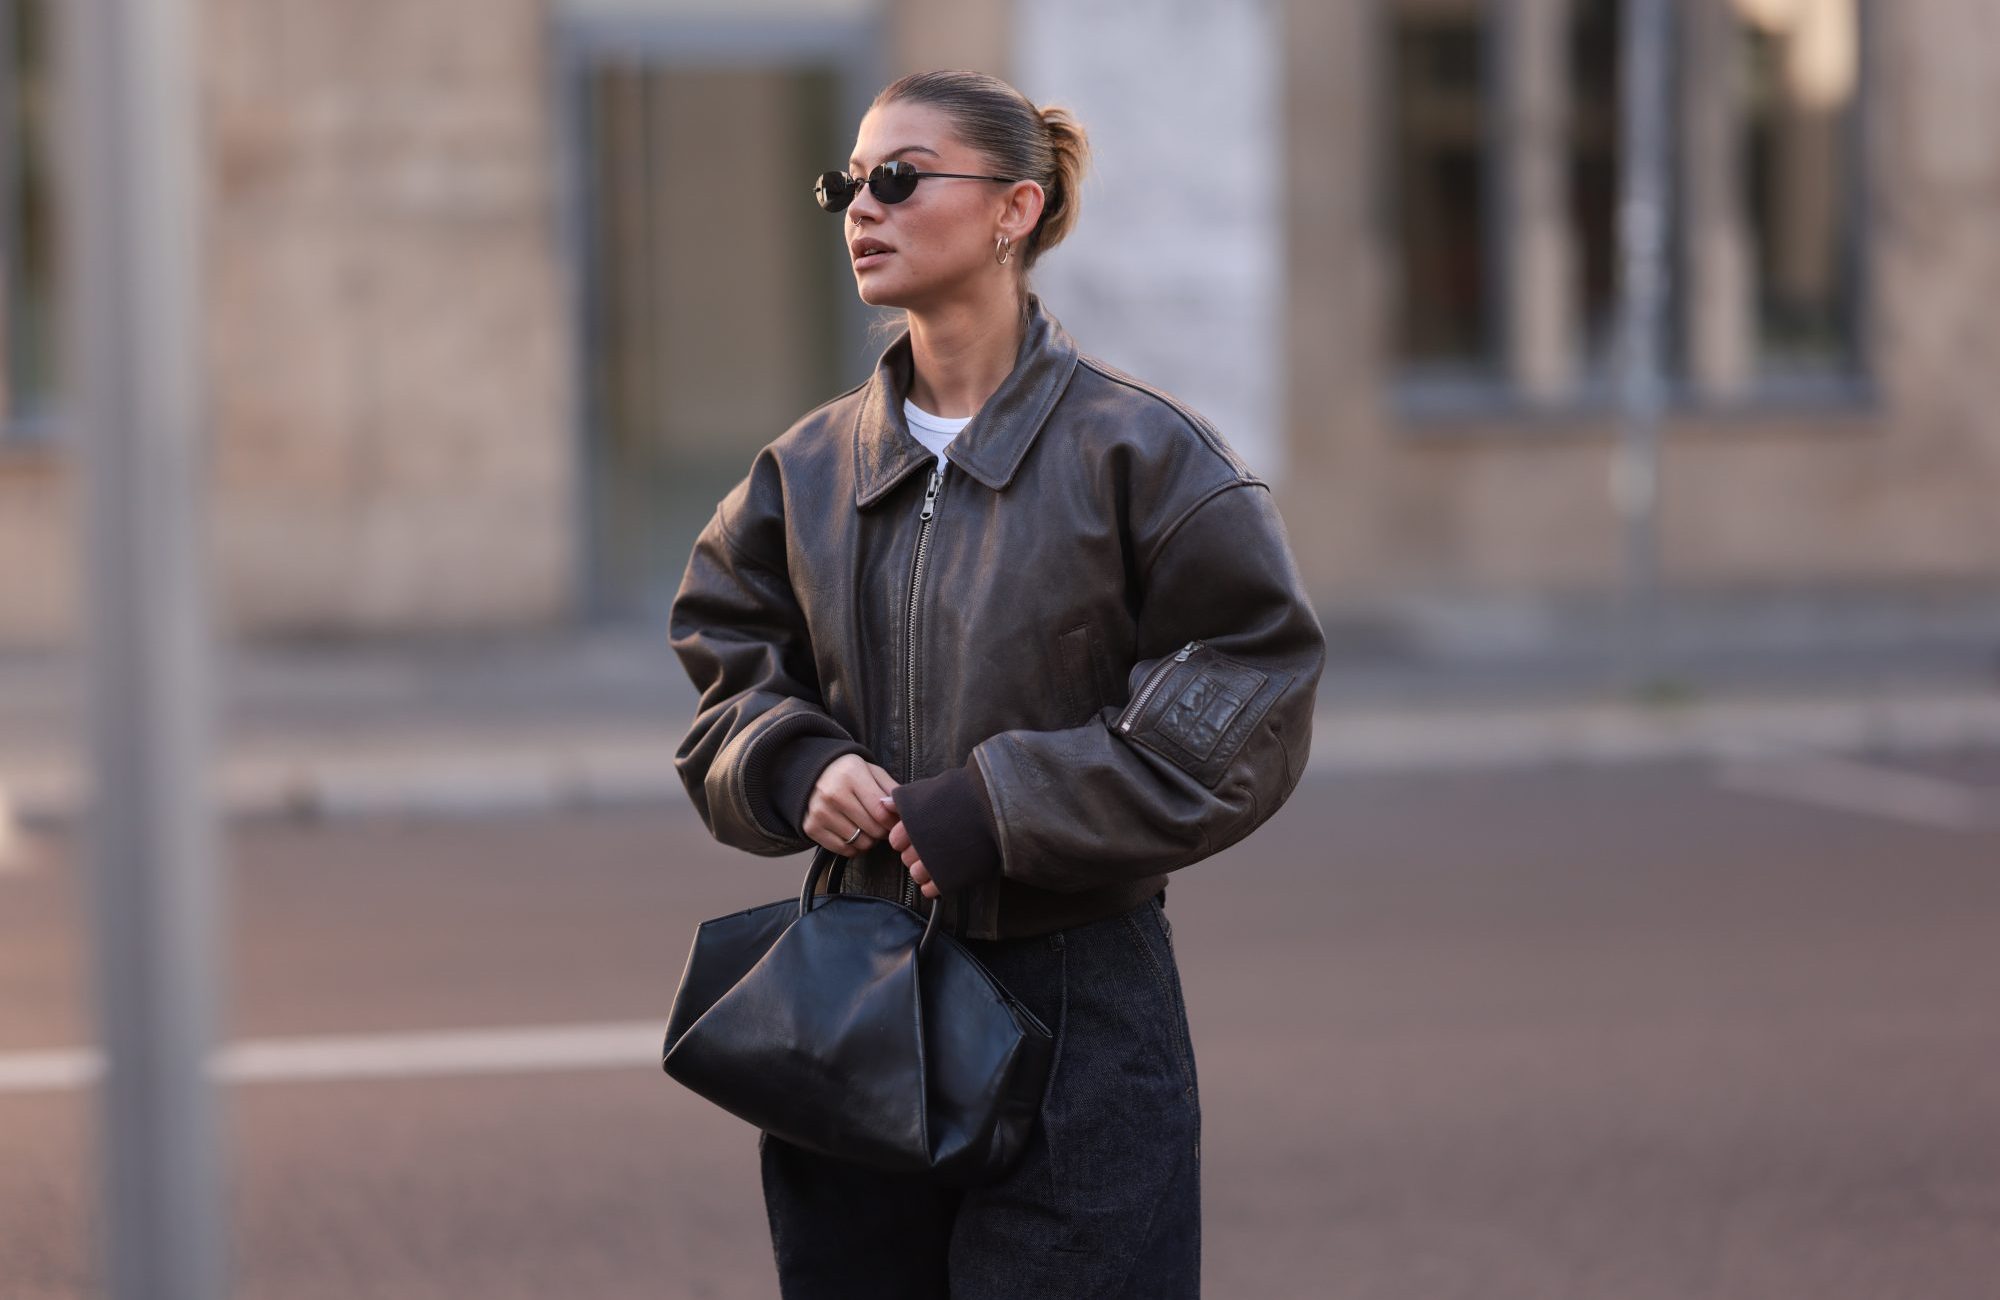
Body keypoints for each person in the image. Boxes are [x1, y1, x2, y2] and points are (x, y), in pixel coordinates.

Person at [669, 68, 1325, 1300]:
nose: (862, 206)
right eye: (846, 183)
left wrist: (1001, 803)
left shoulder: (1143, 457)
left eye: (900, 178)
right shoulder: (800, 473)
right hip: (849, 995)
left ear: (1014, 210)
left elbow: (1248, 688)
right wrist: (790, 762)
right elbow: (722, 673)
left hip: (1075, 1000)